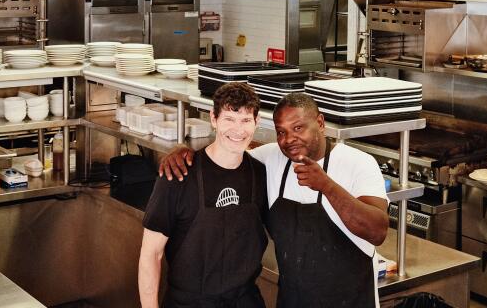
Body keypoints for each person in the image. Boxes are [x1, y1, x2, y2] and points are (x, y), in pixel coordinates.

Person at [161, 92, 389, 308]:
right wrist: (184, 151)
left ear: (320, 123)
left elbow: (377, 231)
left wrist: (327, 186)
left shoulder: (358, 163)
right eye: (281, 132)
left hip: (351, 301)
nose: (289, 139)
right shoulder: (271, 159)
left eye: (298, 128)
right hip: (293, 301)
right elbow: (222, 157)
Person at [138, 82, 269, 308]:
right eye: (229, 119)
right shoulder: (178, 175)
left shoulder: (261, 173)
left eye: (246, 120)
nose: (238, 130)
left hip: (244, 301)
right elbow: (151, 254)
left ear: (257, 122)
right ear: (213, 119)